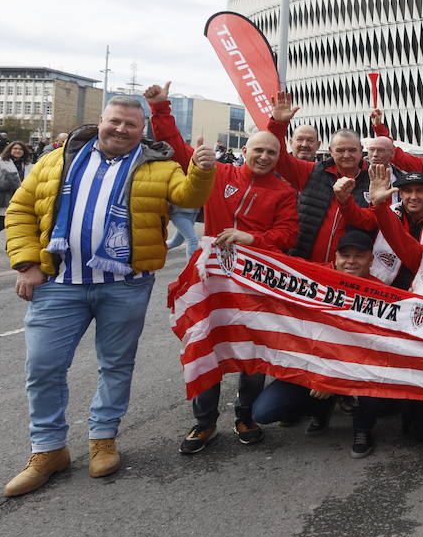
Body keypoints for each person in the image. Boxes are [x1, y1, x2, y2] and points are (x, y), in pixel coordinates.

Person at [2, 98, 216, 497]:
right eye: (115, 121)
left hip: (125, 285)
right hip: (59, 282)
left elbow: (187, 198)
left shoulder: (160, 165)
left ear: (142, 129)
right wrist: (26, 263)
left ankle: (103, 438)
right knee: (43, 368)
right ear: (101, 121)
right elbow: (20, 211)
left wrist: (202, 170)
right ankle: (48, 449)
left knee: (116, 364)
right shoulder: (56, 161)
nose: (121, 129)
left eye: (130, 125)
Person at [143, 85, 302, 453]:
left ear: (280, 157)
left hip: (254, 281)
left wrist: (251, 238)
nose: (264, 156)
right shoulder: (219, 174)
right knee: (208, 344)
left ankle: (244, 414)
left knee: (251, 347)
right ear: (245, 151)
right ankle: (204, 422)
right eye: (258, 150)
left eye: (272, 152)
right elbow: (178, 150)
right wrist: (159, 107)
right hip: (212, 279)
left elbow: (287, 234)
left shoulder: (282, 191)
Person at [249, 230, 390, 457]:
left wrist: (332, 377)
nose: (351, 261)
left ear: (371, 259)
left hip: (357, 369)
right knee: (263, 413)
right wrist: (249, 241)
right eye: (345, 255)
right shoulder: (313, 276)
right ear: (335, 256)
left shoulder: (381, 294)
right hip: (311, 367)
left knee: (378, 386)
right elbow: (273, 263)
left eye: (359, 255)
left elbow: (376, 351)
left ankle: (363, 428)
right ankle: (321, 407)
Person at [269, 91, 378, 263]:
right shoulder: (312, 171)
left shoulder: (374, 180)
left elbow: (371, 222)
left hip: (347, 270)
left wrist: (345, 202)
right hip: (304, 263)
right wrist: (278, 125)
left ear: (361, 151)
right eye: (340, 150)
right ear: (330, 151)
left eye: (352, 150)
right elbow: (279, 159)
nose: (347, 155)